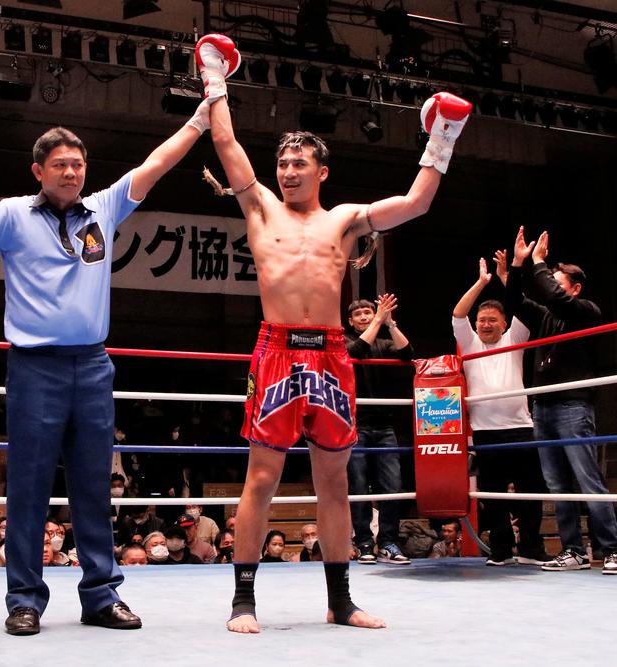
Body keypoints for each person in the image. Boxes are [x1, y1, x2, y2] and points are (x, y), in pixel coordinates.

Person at [0, 97, 214, 636]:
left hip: (93, 365)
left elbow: (156, 164)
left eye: (78, 164)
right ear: (38, 171)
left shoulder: (103, 208)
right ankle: (24, 600)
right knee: (29, 487)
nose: (71, 172)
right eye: (60, 164)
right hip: (35, 367)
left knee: (94, 487)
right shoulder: (12, 213)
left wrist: (199, 119)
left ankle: (101, 596)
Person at [200, 31, 472, 632]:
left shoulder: (346, 220)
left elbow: (416, 203)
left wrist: (442, 138)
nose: (288, 171)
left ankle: (341, 600)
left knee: (334, 483)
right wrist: (215, 78)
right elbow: (224, 141)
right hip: (276, 351)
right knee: (262, 478)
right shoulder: (259, 206)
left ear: (322, 171)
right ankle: (243, 601)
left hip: (329, 356)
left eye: (299, 163)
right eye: (283, 163)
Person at [505, 228, 617, 574]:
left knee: (588, 479)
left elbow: (555, 298)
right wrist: (519, 265)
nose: (549, 285)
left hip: (573, 405)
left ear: (575, 287)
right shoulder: (546, 317)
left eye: (556, 281)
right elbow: (514, 302)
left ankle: (612, 548)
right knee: (557, 483)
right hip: (544, 406)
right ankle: (574, 550)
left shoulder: (585, 310)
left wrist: (539, 263)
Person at [452, 256, 550, 566]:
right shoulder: (470, 344)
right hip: (485, 431)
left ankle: (532, 548)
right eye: (482, 320)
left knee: (530, 491)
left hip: (520, 427)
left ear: (504, 324)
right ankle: (501, 550)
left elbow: (522, 306)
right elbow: (458, 313)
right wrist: (481, 282)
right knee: (493, 494)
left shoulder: (514, 338)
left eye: (492, 320)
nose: (486, 324)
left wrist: (507, 277)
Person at [345, 295, 413, 565]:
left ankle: (388, 542)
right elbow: (356, 351)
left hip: (385, 425)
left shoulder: (384, 343)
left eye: (368, 312)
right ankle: (363, 542)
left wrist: (390, 323)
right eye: (358, 314)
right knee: (359, 486)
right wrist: (377, 320)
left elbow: (407, 353)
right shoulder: (343, 341)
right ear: (350, 321)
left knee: (392, 486)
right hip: (356, 424)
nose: (364, 316)